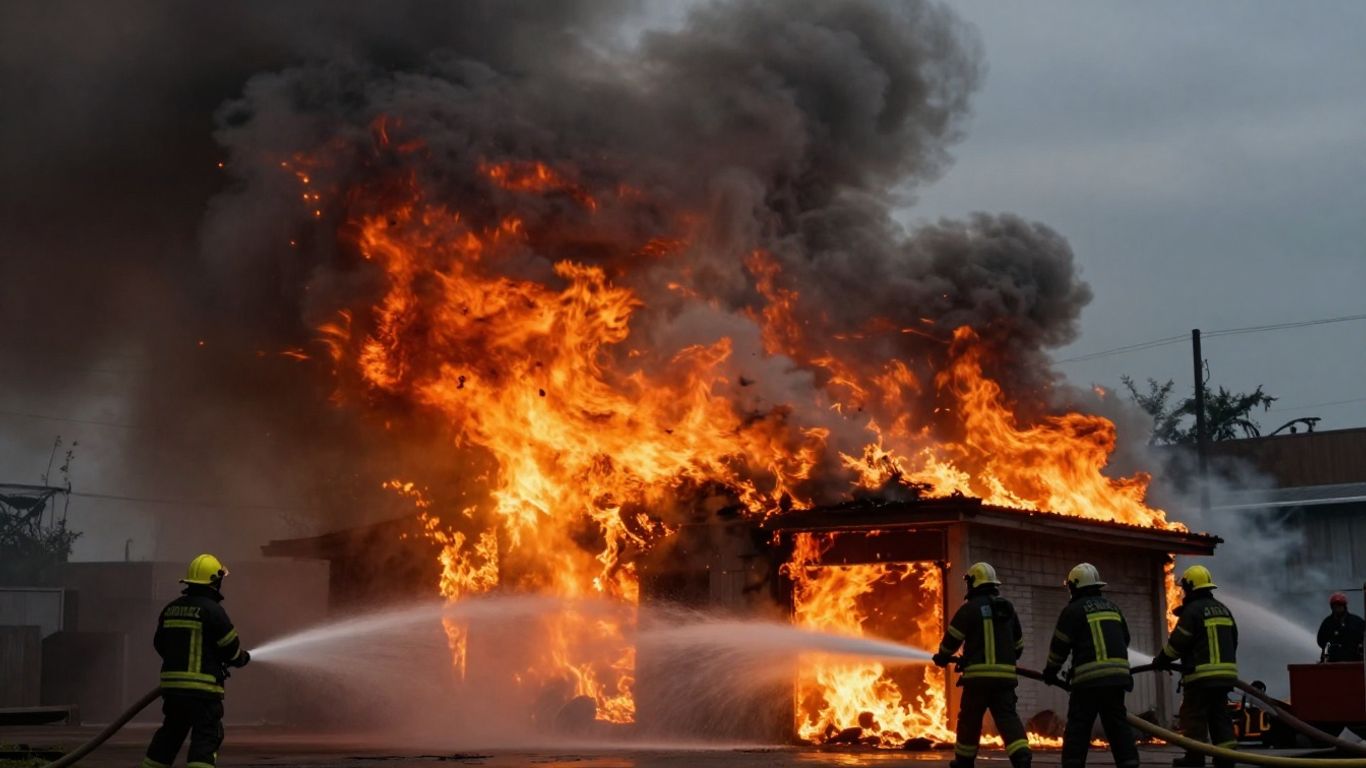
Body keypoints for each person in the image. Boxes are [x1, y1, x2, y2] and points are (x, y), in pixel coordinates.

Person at [142, 554, 251, 768]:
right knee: (206, 737)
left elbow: (159, 644)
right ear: (215, 581)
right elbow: (231, 652)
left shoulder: (171, 609)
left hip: (173, 690)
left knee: (170, 735)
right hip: (203, 692)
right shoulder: (214, 612)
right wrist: (242, 658)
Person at [933, 562, 1032, 768]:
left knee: (970, 720)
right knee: (1007, 718)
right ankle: (1022, 758)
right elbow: (1019, 647)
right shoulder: (1008, 608)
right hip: (1004, 679)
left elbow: (951, 641)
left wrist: (942, 657)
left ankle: (964, 761)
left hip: (977, 680)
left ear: (973, 583)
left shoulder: (969, 609)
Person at [1041, 563, 1140, 768]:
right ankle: (1129, 763)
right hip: (1117, 679)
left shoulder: (1072, 611)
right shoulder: (1113, 608)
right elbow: (1126, 639)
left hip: (1088, 682)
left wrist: (1051, 672)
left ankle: (1073, 764)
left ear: (1075, 586)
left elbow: (1059, 647)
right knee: (1118, 726)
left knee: (1079, 727)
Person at [1154, 564, 1238, 768]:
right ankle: (1226, 759)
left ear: (1191, 586)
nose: (1183, 592)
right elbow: (1233, 640)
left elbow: (1178, 644)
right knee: (1220, 718)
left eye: (1184, 588)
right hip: (1224, 677)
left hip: (1200, 677)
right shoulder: (1223, 610)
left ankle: (1194, 758)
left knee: (1193, 718)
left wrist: (1162, 659)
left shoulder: (1192, 611)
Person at [1316, 592, 1365, 662]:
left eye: (1339, 605)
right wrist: (1331, 646)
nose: (1337, 608)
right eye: (1335, 606)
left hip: (1354, 661)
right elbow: (1320, 640)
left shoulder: (1357, 622)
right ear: (1331, 607)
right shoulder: (1327, 622)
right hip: (1331, 661)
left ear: (1344, 606)